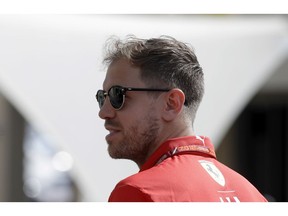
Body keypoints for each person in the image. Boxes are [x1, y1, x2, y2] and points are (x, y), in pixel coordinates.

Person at [96, 35, 267, 202]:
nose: (104, 112)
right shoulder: (252, 195)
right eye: (102, 97)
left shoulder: (139, 192)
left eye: (117, 95)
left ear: (171, 103)